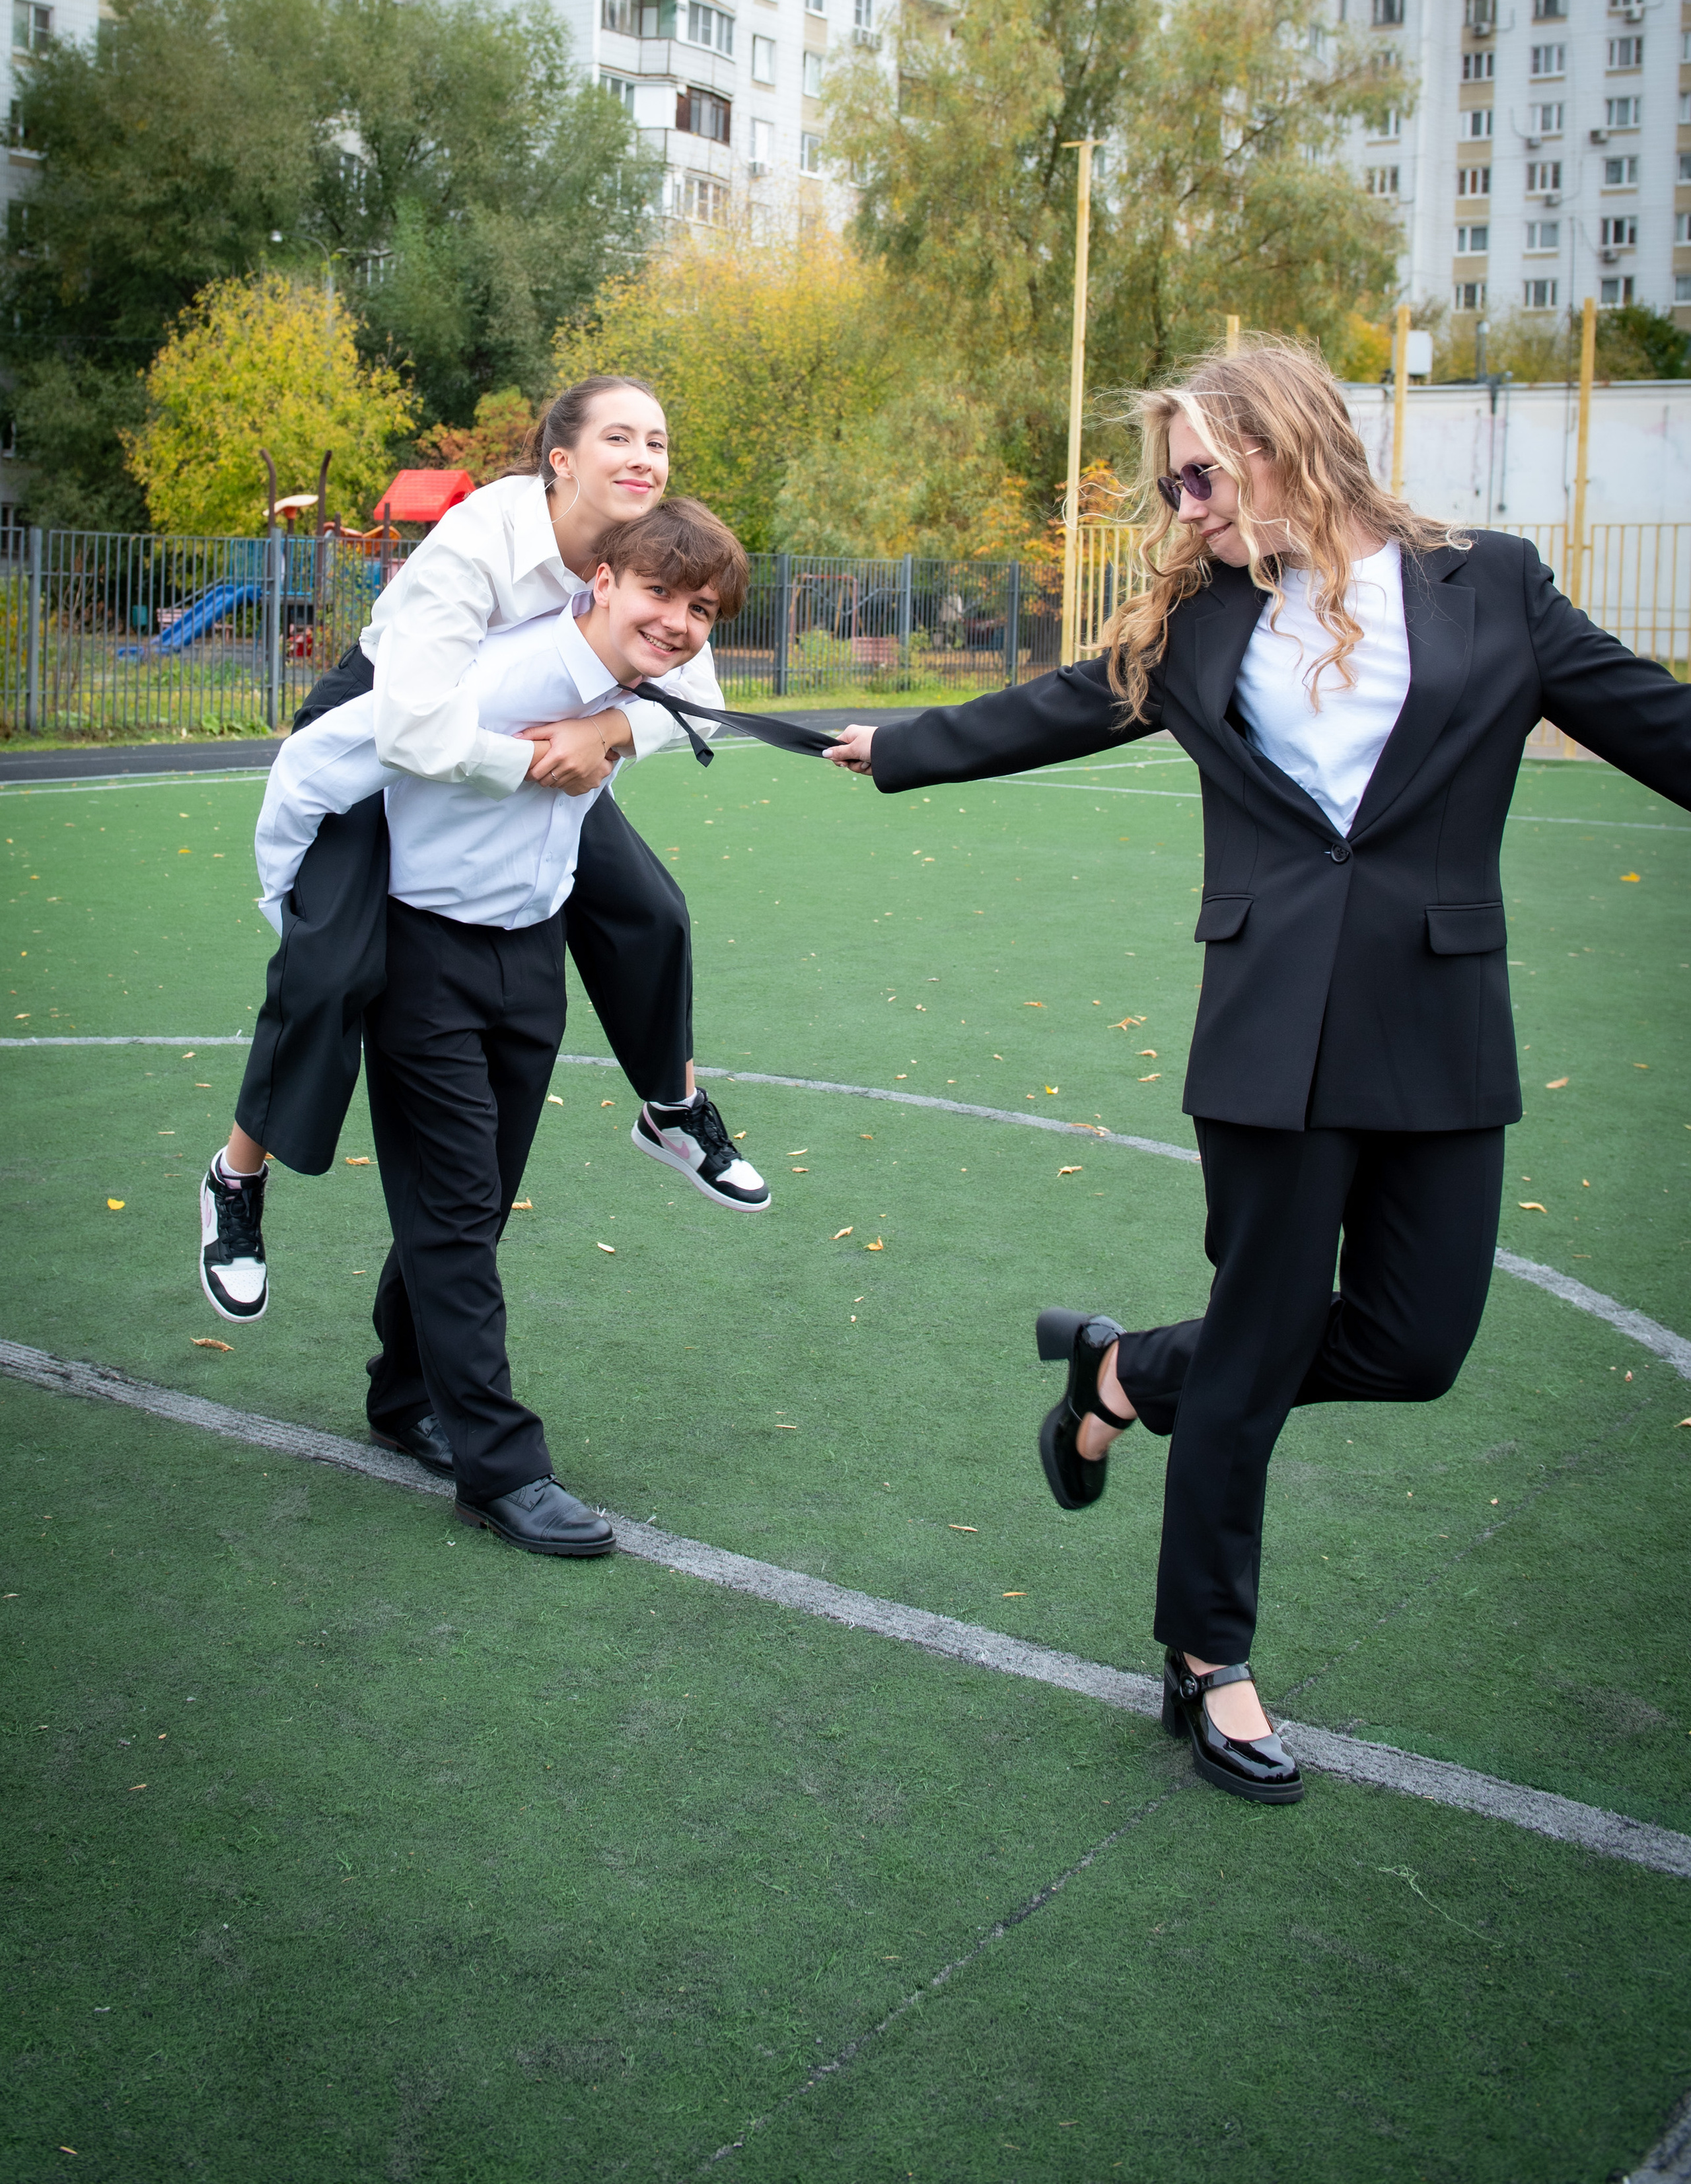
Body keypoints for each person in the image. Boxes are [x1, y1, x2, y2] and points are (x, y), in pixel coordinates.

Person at [824, 335, 1691, 1806]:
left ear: (1287, 440)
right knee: (1260, 1342)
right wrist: (891, 745)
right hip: (1268, 1031)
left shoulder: (1492, 585)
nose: (1186, 509)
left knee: (1415, 1349)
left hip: (1437, 1021)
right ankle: (1204, 1660)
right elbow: (1043, 708)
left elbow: (1650, 718)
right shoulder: (1199, 621)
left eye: (1202, 476)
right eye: (1173, 486)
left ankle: (1121, 1367)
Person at [198, 376, 770, 1328]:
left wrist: (611, 738)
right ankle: (236, 1178)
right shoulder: (478, 543)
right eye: (618, 438)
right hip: (380, 746)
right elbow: (415, 730)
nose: (643, 458)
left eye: (658, 442)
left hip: (540, 747)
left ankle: (672, 1107)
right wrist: (549, 758)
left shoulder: (648, 547)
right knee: (333, 965)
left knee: (650, 911)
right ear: (560, 460)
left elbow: (692, 680)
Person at [238, 499, 749, 1557]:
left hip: (532, 955)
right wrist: (291, 903)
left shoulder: (639, 685)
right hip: (426, 961)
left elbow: (697, 700)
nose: (680, 624)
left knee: (474, 1200)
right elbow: (322, 763)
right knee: (460, 1207)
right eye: (660, 594)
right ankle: (501, 1468)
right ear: (600, 581)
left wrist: (611, 729)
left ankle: (401, 1391)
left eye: (701, 609)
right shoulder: (495, 672)